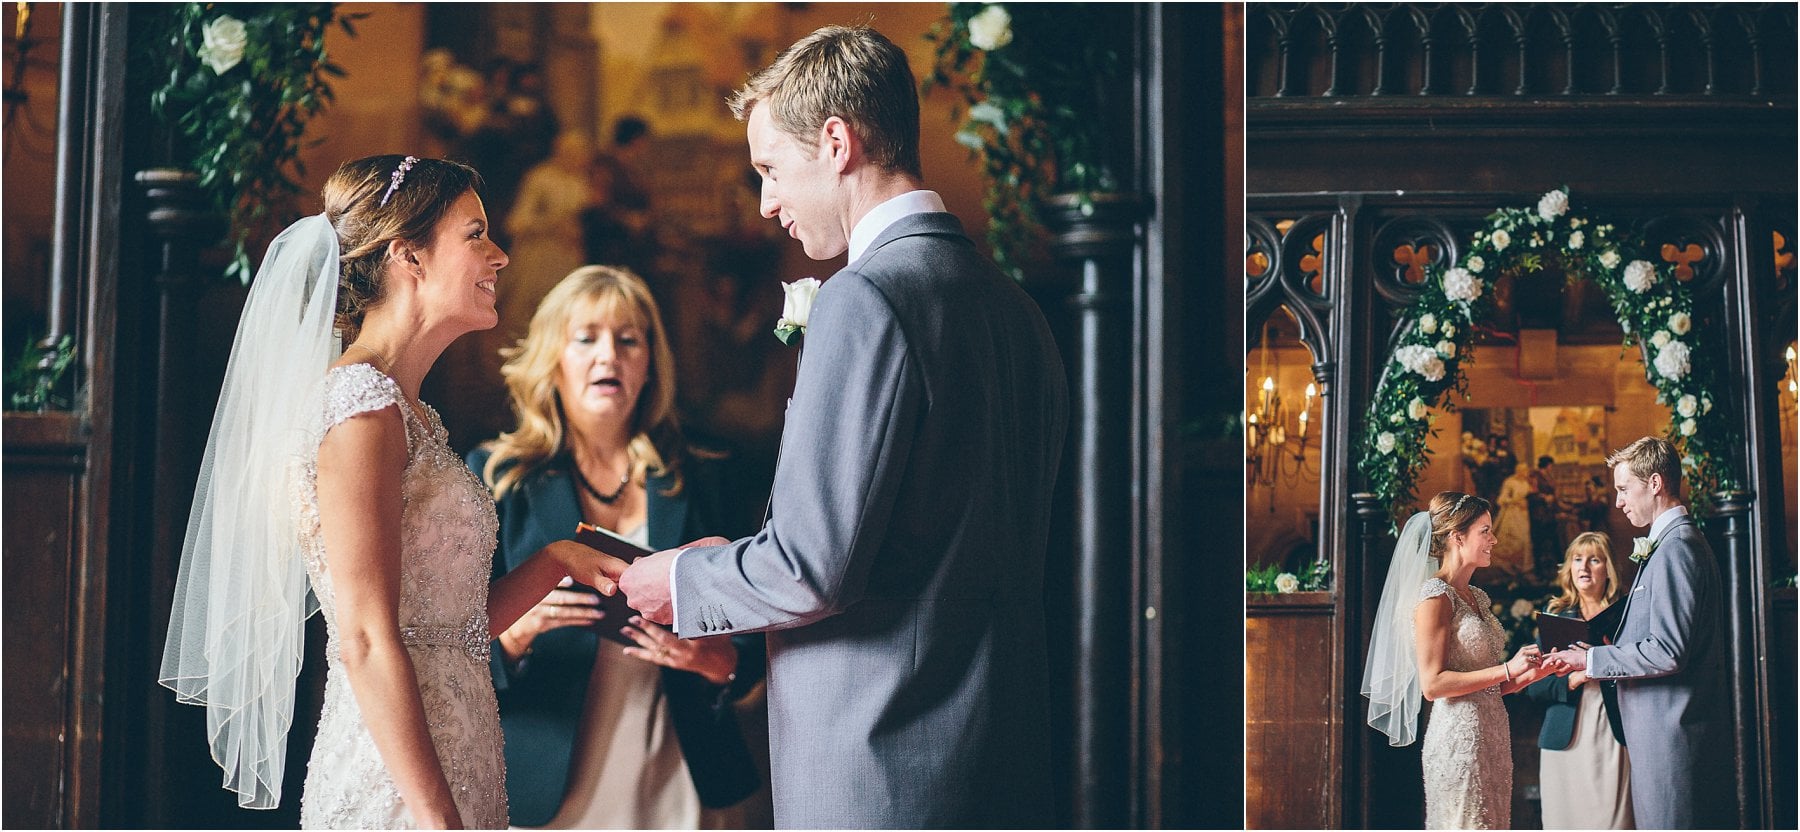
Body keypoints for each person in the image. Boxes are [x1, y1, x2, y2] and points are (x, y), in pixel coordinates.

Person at [610, 24, 1068, 827]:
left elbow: (812, 568)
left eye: (770, 169)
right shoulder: (1015, 309)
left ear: (836, 142)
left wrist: (679, 582)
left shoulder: (867, 299)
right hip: (1005, 759)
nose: (766, 203)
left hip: (880, 768)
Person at [159, 155, 624, 828]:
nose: (499, 256)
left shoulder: (413, 417)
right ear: (409, 254)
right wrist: (439, 819)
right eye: (476, 234)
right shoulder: (358, 411)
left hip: (462, 761)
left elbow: (448, 632)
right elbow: (366, 640)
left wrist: (555, 561)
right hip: (396, 784)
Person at [468, 266, 767, 828]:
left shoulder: (706, 473)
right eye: (587, 338)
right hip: (547, 774)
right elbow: (449, 650)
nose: (610, 355)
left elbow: (755, 623)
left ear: (650, 362)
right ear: (552, 358)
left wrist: (720, 661)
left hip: (682, 767)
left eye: (629, 339)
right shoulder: (496, 477)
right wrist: (518, 633)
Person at [1543, 436, 1733, 828]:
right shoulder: (1670, 544)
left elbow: (1668, 650)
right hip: (1658, 738)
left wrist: (1589, 659)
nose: (1618, 501)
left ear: (1656, 484)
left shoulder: (1676, 548)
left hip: (1671, 737)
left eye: (1624, 489)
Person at [1362, 492, 1553, 829]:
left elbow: (1489, 685)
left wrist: (1534, 674)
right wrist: (1508, 667)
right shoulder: (1435, 596)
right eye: (1485, 531)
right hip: (1458, 741)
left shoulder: (1477, 596)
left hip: (1493, 735)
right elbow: (1433, 685)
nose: (1494, 539)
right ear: (1457, 536)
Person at [1525, 532, 1633, 829]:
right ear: (1569, 569)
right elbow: (1535, 687)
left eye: (1594, 559)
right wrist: (1573, 679)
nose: (1584, 566)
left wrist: (1609, 663)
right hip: (1566, 736)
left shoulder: (1626, 617)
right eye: (1577, 559)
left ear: (1607, 569)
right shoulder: (1555, 616)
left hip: (1612, 731)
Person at [1492, 463, 1535, 575]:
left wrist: (1526, 502)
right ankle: (1511, 564)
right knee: (1515, 540)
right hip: (1512, 514)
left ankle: (1524, 567)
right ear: (1518, 471)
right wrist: (1515, 501)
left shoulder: (1526, 482)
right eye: (1523, 470)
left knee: (1525, 540)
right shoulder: (1509, 482)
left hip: (1523, 514)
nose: (1525, 473)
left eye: (1526, 470)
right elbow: (1501, 499)